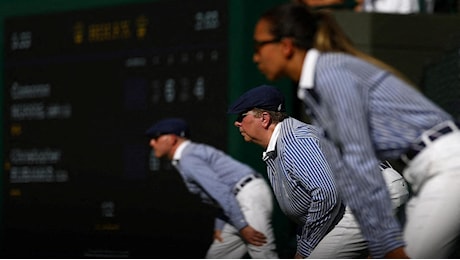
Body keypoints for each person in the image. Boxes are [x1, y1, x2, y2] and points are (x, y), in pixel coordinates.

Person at [251, 2, 460, 258]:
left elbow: (360, 166)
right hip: (430, 169)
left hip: (447, 165)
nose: (255, 56)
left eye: (259, 46)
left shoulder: (330, 76)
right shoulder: (318, 83)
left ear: (286, 46)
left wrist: (388, 245)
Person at [227, 85, 345, 258]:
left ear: (265, 119)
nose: (236, 122)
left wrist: (305, 249)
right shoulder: (280, 145)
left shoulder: (294, 142)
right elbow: (308, 204)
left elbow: (326, 193)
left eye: (242, 116)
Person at [145, 118, 278, 259]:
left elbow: (221, 190)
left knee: (263, 253)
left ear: (172, 139)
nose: (151, 143)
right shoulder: (188, 154)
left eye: (156, 137)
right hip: (239, 201)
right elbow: (219, 192)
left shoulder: (188, 158)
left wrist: (242, 225)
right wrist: (220, 225)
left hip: (247, 197)